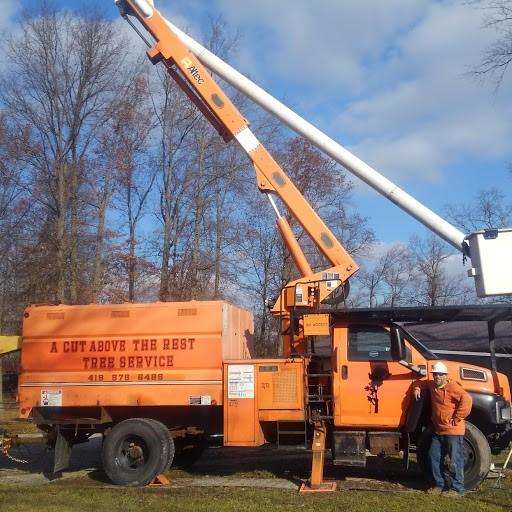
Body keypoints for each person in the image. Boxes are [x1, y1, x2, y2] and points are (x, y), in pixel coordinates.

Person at [413, 361, 472, 497]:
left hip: (453, 431)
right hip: (438, 430)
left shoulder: (453, 387)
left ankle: (457, 489)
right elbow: (421, 382)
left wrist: (457, 418)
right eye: (435, 375)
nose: (437, 377)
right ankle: (438, 485)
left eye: (440, 375)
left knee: (455, 459)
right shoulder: (433, 385)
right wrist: (417, 388)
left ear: (445, 375)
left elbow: (467, 399)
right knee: (433, 455)